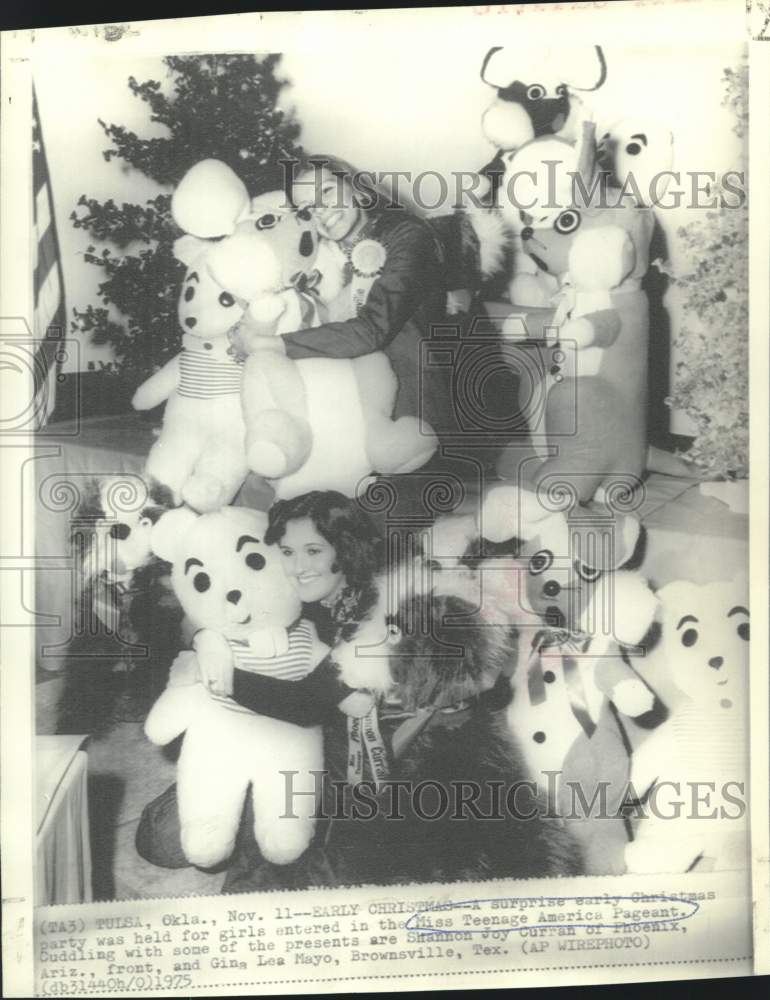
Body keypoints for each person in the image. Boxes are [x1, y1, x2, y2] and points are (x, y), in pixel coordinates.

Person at [134, 491, 385, 882]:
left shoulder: (373, 611)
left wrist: (218, 678)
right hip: (244, 736)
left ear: (346, 549)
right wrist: (207, 638)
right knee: (160, 842)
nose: (297, 566)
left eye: (313, 551)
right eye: (285, 551)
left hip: (332, 757)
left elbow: (305, 707)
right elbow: (202, 608)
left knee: (282, 847)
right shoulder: (296, 594)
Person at [277, 155, 457, 437]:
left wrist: (273, 345)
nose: (321, 209)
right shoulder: (322, 263)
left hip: (420, 411)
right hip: (355, 404)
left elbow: (372, 330)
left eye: (325, 192)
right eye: (307, 207)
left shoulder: (407, 235)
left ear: (355, 188)